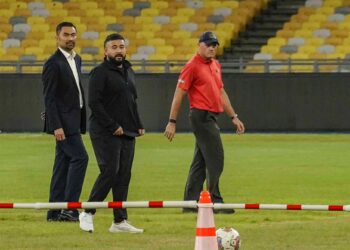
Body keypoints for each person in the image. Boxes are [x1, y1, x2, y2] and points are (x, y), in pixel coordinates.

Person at [164, 31, 245, 213]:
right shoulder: (192, 66)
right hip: (201, 117)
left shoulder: (215, 64)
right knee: (216, 158)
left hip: (211, 116)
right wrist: (172, 121)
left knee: (200, 162)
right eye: (208, 44)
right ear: (199, 45)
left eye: (214, 45)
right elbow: (179, 93)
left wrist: (234, 116)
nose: (212, 48)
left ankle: (190, 204)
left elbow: (221, 92)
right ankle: (215, 201)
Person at [79, 33, 145, 233]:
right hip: (104, 131)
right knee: (110, 172)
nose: (119, 50)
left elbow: (132, 100)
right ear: (105, 51)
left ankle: (119, 221)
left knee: (124, 175)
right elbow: (94, 104)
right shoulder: (99, 72)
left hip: (127, 131)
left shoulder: (128, 70)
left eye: (121, 47)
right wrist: (112, 125)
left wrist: (138, 124)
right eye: (114, 47)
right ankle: (87, 212)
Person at [42, 22, 88, 222]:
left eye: (73, 34)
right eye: (66, 35)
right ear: (57, 37)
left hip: (74, 120)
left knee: (62, 165)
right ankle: (70, 209)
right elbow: (49, 98)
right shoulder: (53, 63)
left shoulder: (77, 59)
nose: (70, 38)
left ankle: (54, 212)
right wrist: (56, 125)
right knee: (81, 158)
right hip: (63, 123)